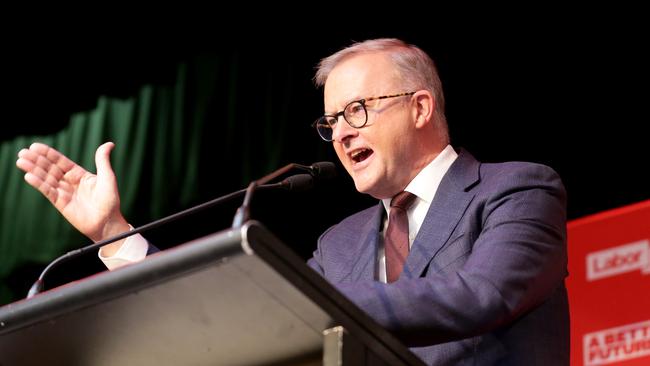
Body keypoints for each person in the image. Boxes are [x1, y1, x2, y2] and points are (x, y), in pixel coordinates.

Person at [16, 38, 569, 365]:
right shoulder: (340, 243)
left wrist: (311, 305)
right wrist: (117, 235)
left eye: (358, 111)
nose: (344, 134)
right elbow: (247, 317)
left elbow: (481, 296)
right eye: (332, 121)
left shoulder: (516, 189)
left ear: (420, 107)